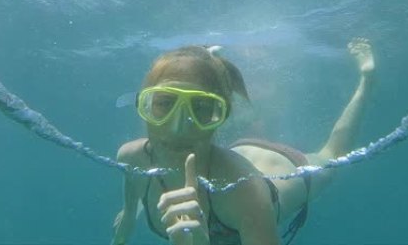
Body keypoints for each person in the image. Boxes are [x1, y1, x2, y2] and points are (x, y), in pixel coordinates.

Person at [111, 38, 375, 245]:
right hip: (234, 155)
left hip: (279, 170)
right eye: (164, 104)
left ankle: (367, 79)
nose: (178, 127)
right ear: (142, 106)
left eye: (202, 109)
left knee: (332, 156)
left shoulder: (245, 194)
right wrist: (127, 219)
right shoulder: (131, 157)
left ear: (222, 118)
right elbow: (131, 191)